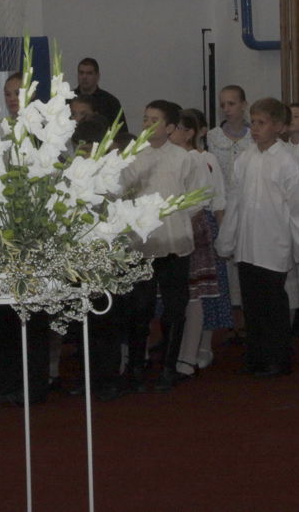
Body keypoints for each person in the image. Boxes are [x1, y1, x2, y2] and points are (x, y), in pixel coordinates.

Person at [214, 98, 299, 378]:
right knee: (252, 303)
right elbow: (234, 202)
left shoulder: (286, 162)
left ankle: (278, 358)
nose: (255, 128)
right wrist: (228, 239)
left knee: (273, 304)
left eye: (262, 123)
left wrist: (297, 245)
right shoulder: (245, 159)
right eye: (253, 122)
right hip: (247, 245)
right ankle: (256, 355)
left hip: (274, 244)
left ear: (279, 127)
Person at [119, 100, 207, 392]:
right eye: (145, 118)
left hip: (174, 242)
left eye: (154, 120)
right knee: (139, 307)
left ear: (170, 128)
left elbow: (198, 197)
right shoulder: (133, 155)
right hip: (142, 243)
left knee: (174, 307)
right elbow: (121, 193)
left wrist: (174, 217)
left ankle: (169, 367)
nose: (147, 124)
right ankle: (135, 366)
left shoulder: (184, 158)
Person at [171, 108, 230, 378]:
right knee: (181, 292)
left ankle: (202, 346)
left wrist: (223, 234)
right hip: (174, 227)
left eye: (176, 128)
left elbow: (217, 198)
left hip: (199, 225)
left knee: (205, 291)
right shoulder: (171, 157)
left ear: (189, 133)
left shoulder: (204, 159)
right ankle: (180, 345)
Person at [204, 85, 253, 334]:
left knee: (247, 264)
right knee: (226, 265)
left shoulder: (254, 136)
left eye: (232, 103)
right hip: (221, 208)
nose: (226, 109)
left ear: (244, 104)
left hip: (249, 208)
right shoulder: (213, 137)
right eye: (223, 104)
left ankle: (249, 322)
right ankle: (231, 321)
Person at [75, 57, 122, 126]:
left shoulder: (110, 103)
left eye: (89, 73)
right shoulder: (68, 99)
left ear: (97, 76)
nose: (84, 77)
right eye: (81, 73)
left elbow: (121, 130)